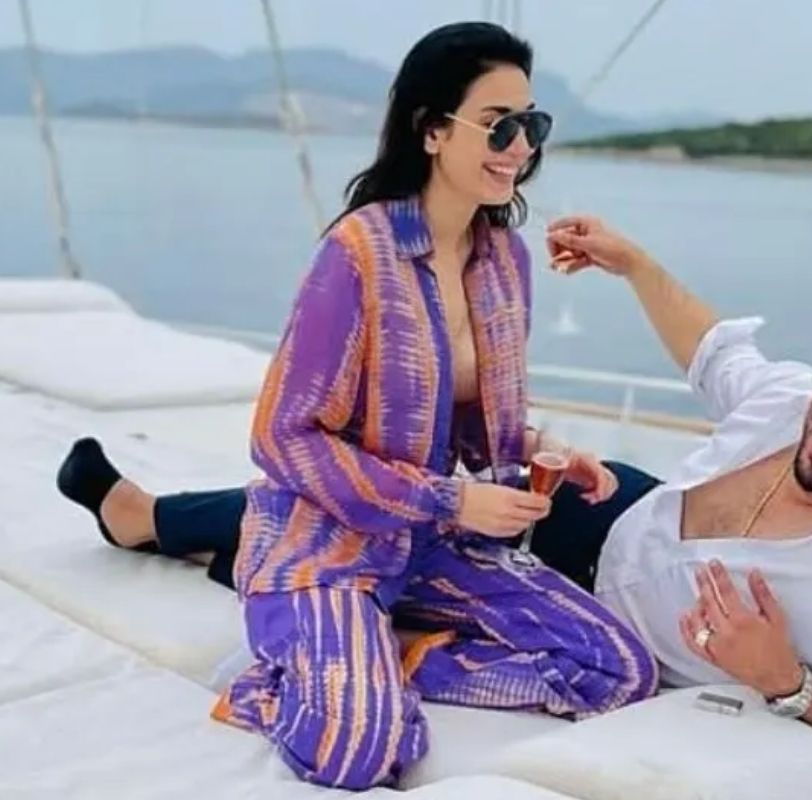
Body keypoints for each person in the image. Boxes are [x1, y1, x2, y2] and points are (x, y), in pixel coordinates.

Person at [61, 228, 812, 757]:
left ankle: (197, 540)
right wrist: (633, 264)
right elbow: (713, 347)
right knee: (427, 492)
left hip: (608, 618)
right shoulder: (797, 402)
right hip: (619, 516)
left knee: (413, 536)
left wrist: (785, 682)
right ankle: (152, 520)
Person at [55, 23, 662, 791]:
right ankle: (301, 674)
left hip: (429, 546)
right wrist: (449, 499)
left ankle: (389, 654)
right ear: (432, 129)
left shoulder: (504, 259)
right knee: (358, 748)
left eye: (531, 125)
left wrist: (548, 453)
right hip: (326, 542)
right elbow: (282, 438)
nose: (519, 146)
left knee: (618, 669)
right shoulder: (357, 254)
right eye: (497, 124)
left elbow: (478, 429)